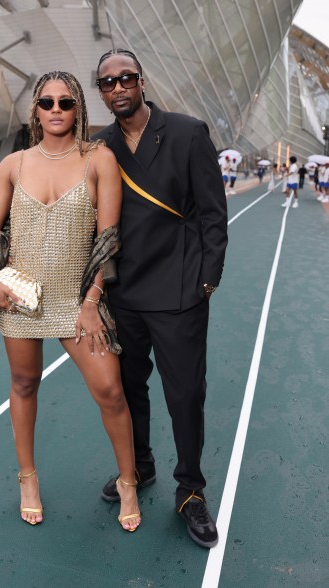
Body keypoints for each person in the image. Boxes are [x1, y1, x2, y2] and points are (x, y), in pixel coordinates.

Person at [0, 71, 142, 532]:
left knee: (110, 389)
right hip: (20, 298)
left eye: (65, 103)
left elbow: (108, 241)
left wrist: (91, 301)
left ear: (78, 109)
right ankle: (27, 478)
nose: (55, 111)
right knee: (24, 383)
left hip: (77, 299)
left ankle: (128, 481)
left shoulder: (99, 160)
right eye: (46, 103)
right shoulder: (14, 164)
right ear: (35, 110)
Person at [93, 49, 228, 548]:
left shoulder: (188, 132)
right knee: (129, 390)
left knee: (185, 395)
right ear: (101, 91)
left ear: (142, 81)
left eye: (126, 77)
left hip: (179, 292)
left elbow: (214, 214)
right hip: (124, 292)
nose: (118, 87)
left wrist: (206, 280)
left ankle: (191, 491)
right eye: (107, 82)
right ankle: (140, 467)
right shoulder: (100, 146)